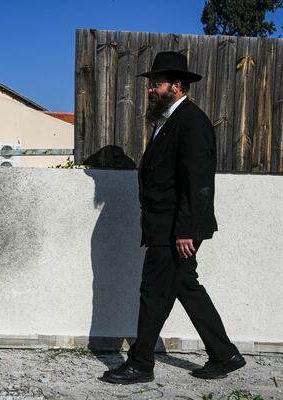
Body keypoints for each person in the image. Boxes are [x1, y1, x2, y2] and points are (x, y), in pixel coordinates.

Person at [103, 52, 245, 384]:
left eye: (157, 84)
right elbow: (162, 176)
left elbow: (197, 181)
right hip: (163, 224)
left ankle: (141, 363)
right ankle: (225, 354)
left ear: (176, 86)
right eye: (151, 84)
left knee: (153, 291)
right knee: (185, 286)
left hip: (175, 228)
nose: (151, 89)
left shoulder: (191, 122)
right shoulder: (167, 121)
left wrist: (186, 231)